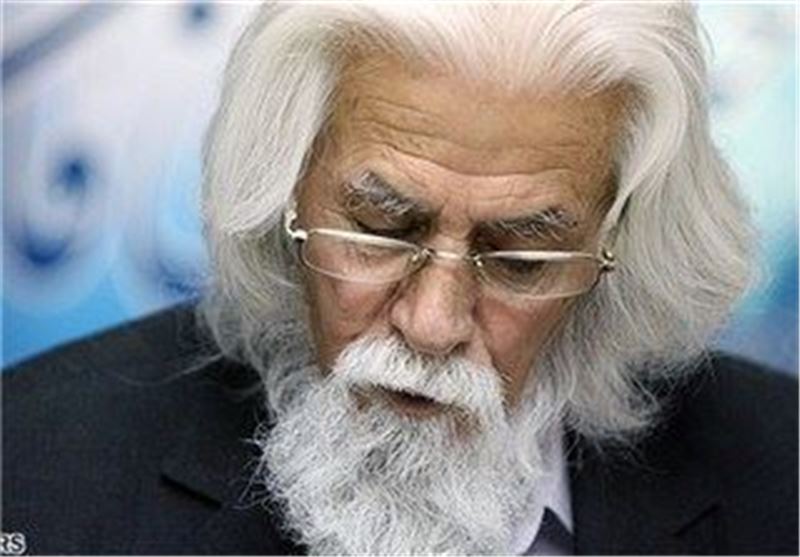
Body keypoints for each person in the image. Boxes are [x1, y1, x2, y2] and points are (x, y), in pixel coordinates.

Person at [3, 2, 797, 555]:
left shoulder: (781, 474)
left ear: (616, 245)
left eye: (521, 260)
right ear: (287, 189)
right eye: (381, 229)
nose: (432, 323)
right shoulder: (31, 471)